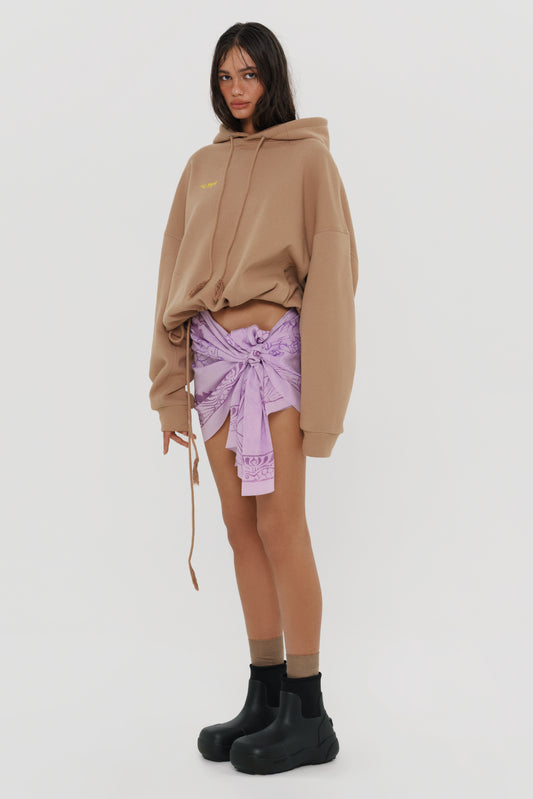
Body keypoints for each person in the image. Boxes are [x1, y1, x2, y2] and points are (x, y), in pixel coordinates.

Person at [148, 21, 358, 775]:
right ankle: (265, 694)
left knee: (281, 524)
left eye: (249, 74)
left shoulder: (309, 160)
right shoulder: (201, 166)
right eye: (225, 77)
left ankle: (310, 709)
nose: (236, 90)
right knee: (240, 528)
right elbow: (172, 278)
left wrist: (325, 404)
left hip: (275, 364)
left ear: (273, 76)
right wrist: (168, 390)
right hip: (211, 364)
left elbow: (333, 279)